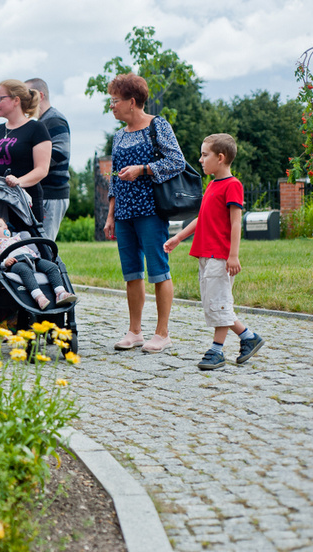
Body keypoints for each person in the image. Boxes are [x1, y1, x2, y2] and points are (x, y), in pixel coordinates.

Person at [163, 134, 265, 369]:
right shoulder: (212, 186)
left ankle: (217, 350)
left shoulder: (233, 185)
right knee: (214, 303)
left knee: (219, 304)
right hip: (205, 254)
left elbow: (236, 222)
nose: (200, 159)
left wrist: (233, 255)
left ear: (220, 158)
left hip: (220, 255)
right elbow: (202, 218)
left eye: (204, 155)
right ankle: (249, 338)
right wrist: (178, 237)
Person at [102, 73, 185, 353]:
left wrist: (143, 169)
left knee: (158, 270)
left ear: (132, 102)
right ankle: (134, 331)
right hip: (124, 212)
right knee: (132, 273)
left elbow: (177, 161)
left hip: (151, 209)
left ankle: (162, 333)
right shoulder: (118, 136)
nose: (111, 106)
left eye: (115, 101)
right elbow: (114, 178)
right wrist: (111, 214)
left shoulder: (157, 126)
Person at [0, 79, 51, 226]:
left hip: (23, 204)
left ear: (16, 100)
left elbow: (42, 169)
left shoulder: (36, 129)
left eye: (0, 99)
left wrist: (19, 182)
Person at [0, 215, 76, 310]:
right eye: (0, 226)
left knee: (52, 267)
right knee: (24, 270)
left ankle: (60, 293)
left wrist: (36, 258)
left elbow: (28, 250)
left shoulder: (15, 239)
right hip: (15, 263)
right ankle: (39, 297)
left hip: (31, 259)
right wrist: (4, 263)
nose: (5, 227)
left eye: (6, 226)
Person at [25, 78, 71, 241]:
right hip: (44, 192)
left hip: (53, 193)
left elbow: (60, 153)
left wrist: (31, 164)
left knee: (44, 245)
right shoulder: (42, 122)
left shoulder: (54, 119)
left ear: (40, 95)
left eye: (27, 94)